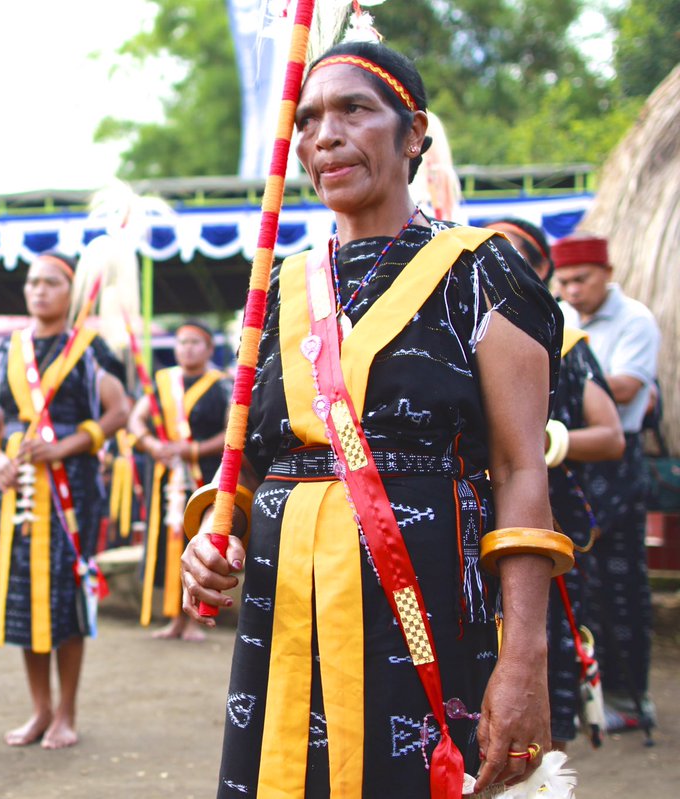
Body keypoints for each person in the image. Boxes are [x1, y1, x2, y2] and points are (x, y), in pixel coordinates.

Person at [181, 41, 566, 798]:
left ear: (413, 133)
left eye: (355, 109)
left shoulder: (480, 272)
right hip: (283, 609)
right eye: (310, 118)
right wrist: (208, 531)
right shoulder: (279, 286)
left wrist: (524, 658)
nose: (325, 135)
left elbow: (522, 469)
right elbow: (257, 456)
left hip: (423, 607)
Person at [0, 250, 130, 750]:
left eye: (50, 283)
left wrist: (65, 444)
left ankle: (67, 712)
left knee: (66, 599)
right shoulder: (9, 350)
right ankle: (39, 709)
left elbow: (118, 411)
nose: (38, 290)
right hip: (17, 487)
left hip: (71, 489)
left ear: (71, 292)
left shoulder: (90, 347)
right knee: (23, 601)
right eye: (32, 282)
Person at [487, 218, 625, 749]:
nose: (502, 263)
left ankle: (552, 752)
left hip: (548, 515)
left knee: (550, 637)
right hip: (476, 518)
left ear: (542, 268)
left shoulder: (564, 341)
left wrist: (547, 442)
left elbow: (611, 436)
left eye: (517, 254)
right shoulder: (458, 333)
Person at [552, 232, 662, 731]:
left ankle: (630, 697)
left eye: (583, 279)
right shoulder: (559, 317)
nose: (573, 290)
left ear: (607, 273)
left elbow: (627, 386)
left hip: (616, 464)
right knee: (578, 584)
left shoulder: (635, 319)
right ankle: (586, 696)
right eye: (566, 281)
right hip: (569, 463)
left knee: (623, 584)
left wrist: (576, 374)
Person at [129, 320, 228, 641]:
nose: (187, 348)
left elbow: (232, 431)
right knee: (168, 543)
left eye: (195, 343)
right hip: (168, 476)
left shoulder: (222, 385)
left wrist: (194, 449)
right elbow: (136, 420)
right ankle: (174, 617)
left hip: (203, 475)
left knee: (197, 542)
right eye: (182, 342)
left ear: (209, 349)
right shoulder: (163, 382)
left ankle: (197, 618)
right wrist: (153, 445)